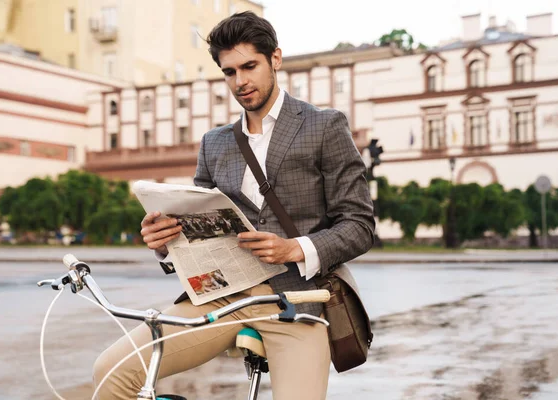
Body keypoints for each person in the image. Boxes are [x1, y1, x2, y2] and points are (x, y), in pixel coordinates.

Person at [93, 11, 374, 400]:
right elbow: (197, 227)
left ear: (275, 59)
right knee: (110, 372)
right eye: (229, 72)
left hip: (298, 298)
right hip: (222, 296)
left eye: (249, 66)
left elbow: (359, 224)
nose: (240, 82)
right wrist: (164, 241)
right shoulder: (215, 143)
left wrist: (296, 248)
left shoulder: (324, 126)